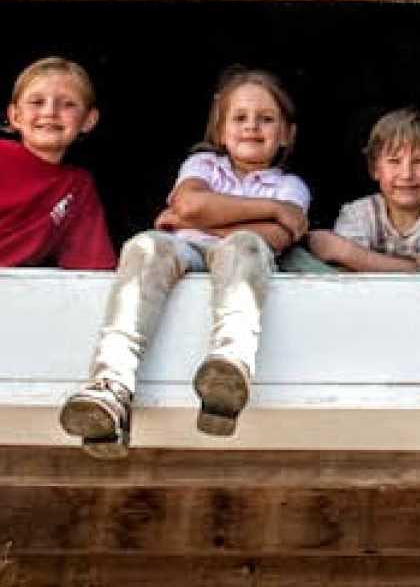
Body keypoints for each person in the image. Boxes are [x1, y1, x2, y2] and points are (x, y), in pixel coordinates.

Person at [59, 66, 310, 458]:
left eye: (266, 119)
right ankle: (110, 384)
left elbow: (274, 238)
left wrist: (198, 219)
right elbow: (190, 202)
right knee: (146, 246)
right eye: (240, 118)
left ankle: (228, 368)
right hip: (184, 250)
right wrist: (270, 209)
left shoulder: (291, 186)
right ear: (220, 130)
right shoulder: (203, 166)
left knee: (244, 245)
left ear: (286, 134)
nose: (251, 126)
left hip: (228, 254)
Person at [292, 106, 420, 274]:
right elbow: (347, 276)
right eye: (394, 161)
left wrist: (346, 252)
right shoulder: (357, 213)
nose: (406, 174)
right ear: (375, 169)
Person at [1, 57, 115, 270]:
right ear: (15, 116)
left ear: (89, 120)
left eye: (68, 104)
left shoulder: (78, 186)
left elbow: (91, 267)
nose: (50, 112)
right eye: (37, 102)